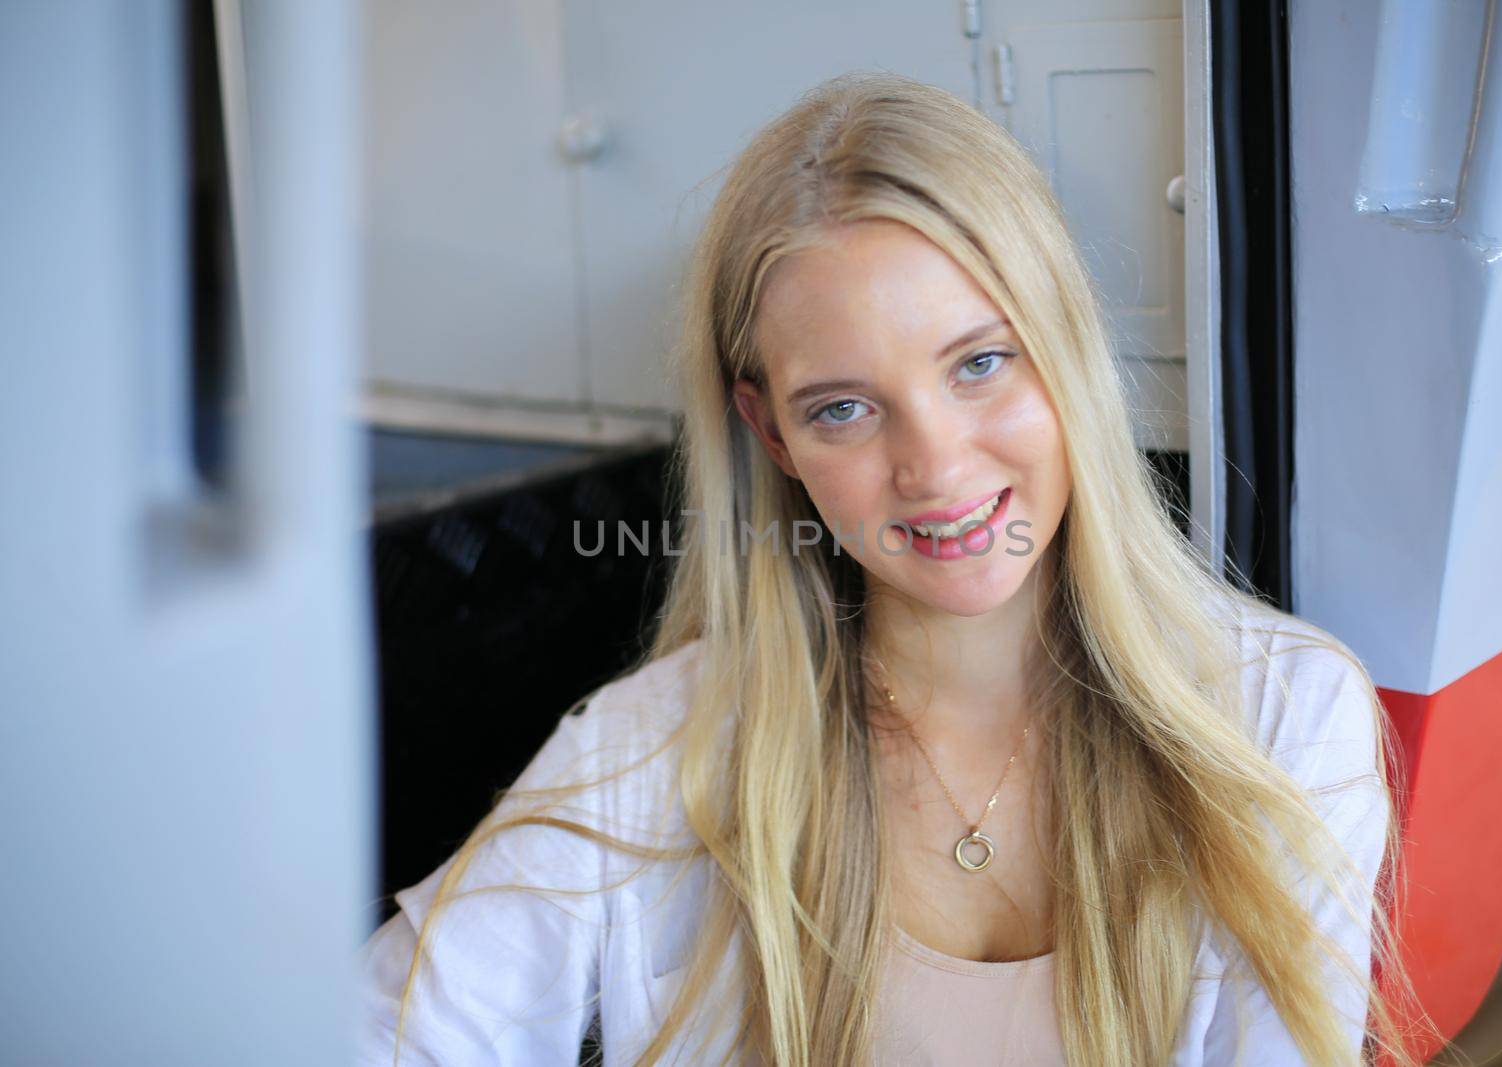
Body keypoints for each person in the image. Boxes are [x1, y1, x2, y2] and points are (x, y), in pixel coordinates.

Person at [356, 72, 1433, 1066]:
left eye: (978, 362)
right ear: (772, 436)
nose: (934, 466)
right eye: (843, 408)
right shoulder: (660, 745)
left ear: (1064, 352)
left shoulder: (1282, 717)